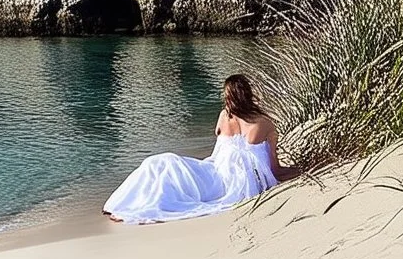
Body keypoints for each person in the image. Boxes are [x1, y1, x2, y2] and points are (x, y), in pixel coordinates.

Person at [103, 74, 297, 224]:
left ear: (229, 97)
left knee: (159, 164)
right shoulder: (265, 124)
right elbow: (275, 170)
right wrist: (297, 169)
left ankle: (124, 206)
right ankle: (130, 207)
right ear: (248, 94)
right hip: (226, 179)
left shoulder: (224, 117)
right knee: (161, 163)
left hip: (217, 176)